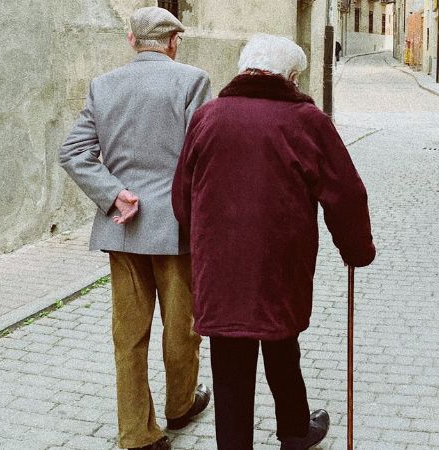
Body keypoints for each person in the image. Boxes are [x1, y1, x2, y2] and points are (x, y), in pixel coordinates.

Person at [171, 34, 376, 450]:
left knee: (229, 360)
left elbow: (182, 194)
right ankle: (296, 431)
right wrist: (356, 248)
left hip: (221, 267)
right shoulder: (306, 120)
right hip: (280, 263)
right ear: (292, 76)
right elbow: (346, 193)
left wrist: (201, 241)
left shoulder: (208, 116)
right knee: (282, 344)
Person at [59, 7, 213, 450]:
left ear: (131, 41)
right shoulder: (193, 80)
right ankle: (181, 404)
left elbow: (73, 153)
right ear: (173, 42)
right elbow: (200, 157)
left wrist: (112, 193)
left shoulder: (103, 85)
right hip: (176, 229)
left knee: (128, 333)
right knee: (181, 326)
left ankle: (137, 434)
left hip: (123, 227)